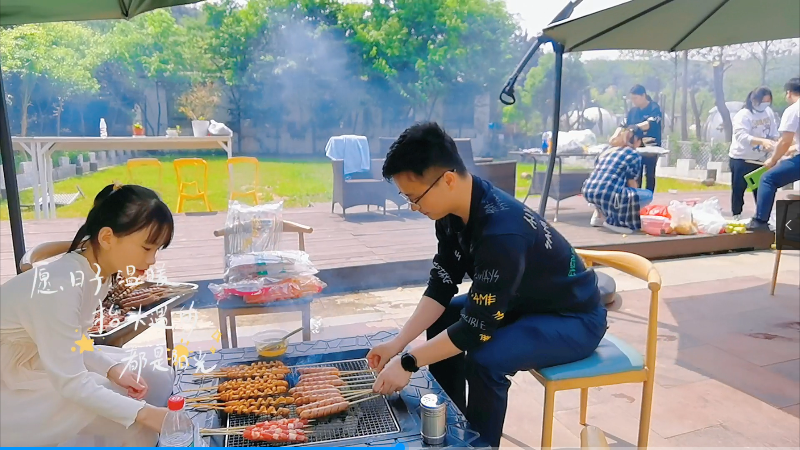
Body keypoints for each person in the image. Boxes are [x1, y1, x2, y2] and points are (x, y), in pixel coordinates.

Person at [366, 122, 607, 448]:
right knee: (445, 313)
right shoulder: (452, 213)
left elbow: (474, 330)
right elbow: (442, 285)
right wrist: (398, 343)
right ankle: (452, 417)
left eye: (414, 197)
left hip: (572, 318)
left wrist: (408, 362)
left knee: (485, 360)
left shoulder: (501, 233)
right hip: (524, 303)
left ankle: (480, 444)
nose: (413, 206)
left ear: (447, 180)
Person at [0, 184, 176, 447]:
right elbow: (72, 383)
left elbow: (73, 339)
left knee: (156, 376)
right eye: (146, 248)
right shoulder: (62, 286)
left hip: (43, 357)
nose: (151, 261)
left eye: (157, 250)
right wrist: (147, 415)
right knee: (131, 421)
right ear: (106, 238)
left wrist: (111, 368)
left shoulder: (97, 270)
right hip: (12, 380)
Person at [749, 78, 800, 231]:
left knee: (768, 178)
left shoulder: (793, 110)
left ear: (789, 93)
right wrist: (795, 148)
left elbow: (785, 142)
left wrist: (773, 160)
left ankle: (760, 221)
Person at [583, 126, 653, 234]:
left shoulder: (606, 150)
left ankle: (598, 216)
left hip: (588, 190)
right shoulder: (633, 154)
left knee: (605, 186)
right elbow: (631, 184)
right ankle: (615, 221)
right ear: (638, 142)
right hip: (606, 193)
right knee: (647, 195)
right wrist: (632, 207)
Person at [727, 86, 779, 220]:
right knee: (739, 189)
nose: (765, 104)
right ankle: (736, 215)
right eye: (763, 101)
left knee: (761, 189)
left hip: (760, 160)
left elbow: (773, 132)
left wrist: (773, 142)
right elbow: (741, 136)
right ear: (754, 100)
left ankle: (762, 217)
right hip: (741, 159)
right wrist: (761, 142)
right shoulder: (743, 115)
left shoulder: (768, 112)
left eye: (768, 101)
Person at [626, 84, 663, 192]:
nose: (634, 101)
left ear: (643, 95)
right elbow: (624, 125)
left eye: (635, 98)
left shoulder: (654, 108)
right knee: (636, 174)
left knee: (650, 173)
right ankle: (637, 197)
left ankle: (649, 196)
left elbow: (649, 124)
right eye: (632, 99)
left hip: (651, 146)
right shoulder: (633, 111)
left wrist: (635, 128)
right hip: (635, 147)